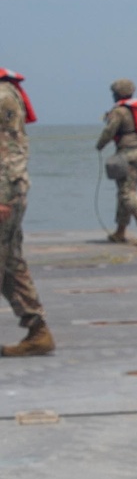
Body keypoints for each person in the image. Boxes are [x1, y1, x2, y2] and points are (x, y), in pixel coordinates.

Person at [0, 67, 55, 358]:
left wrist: (3, 197)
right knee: (11, 264)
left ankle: (38, 330)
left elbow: (8, 151)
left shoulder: (1, 96)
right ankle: (37, 331)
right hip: (9, 191)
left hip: (5, 192)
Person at [96, 78, 137, 245]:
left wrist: (100, 145)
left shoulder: (119, 111)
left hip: (126, 154)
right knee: (125, 191)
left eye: (113, 93)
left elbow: (110, 131)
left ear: (118, 94)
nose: (113, 96)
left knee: (127, 193)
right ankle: (120, 231)